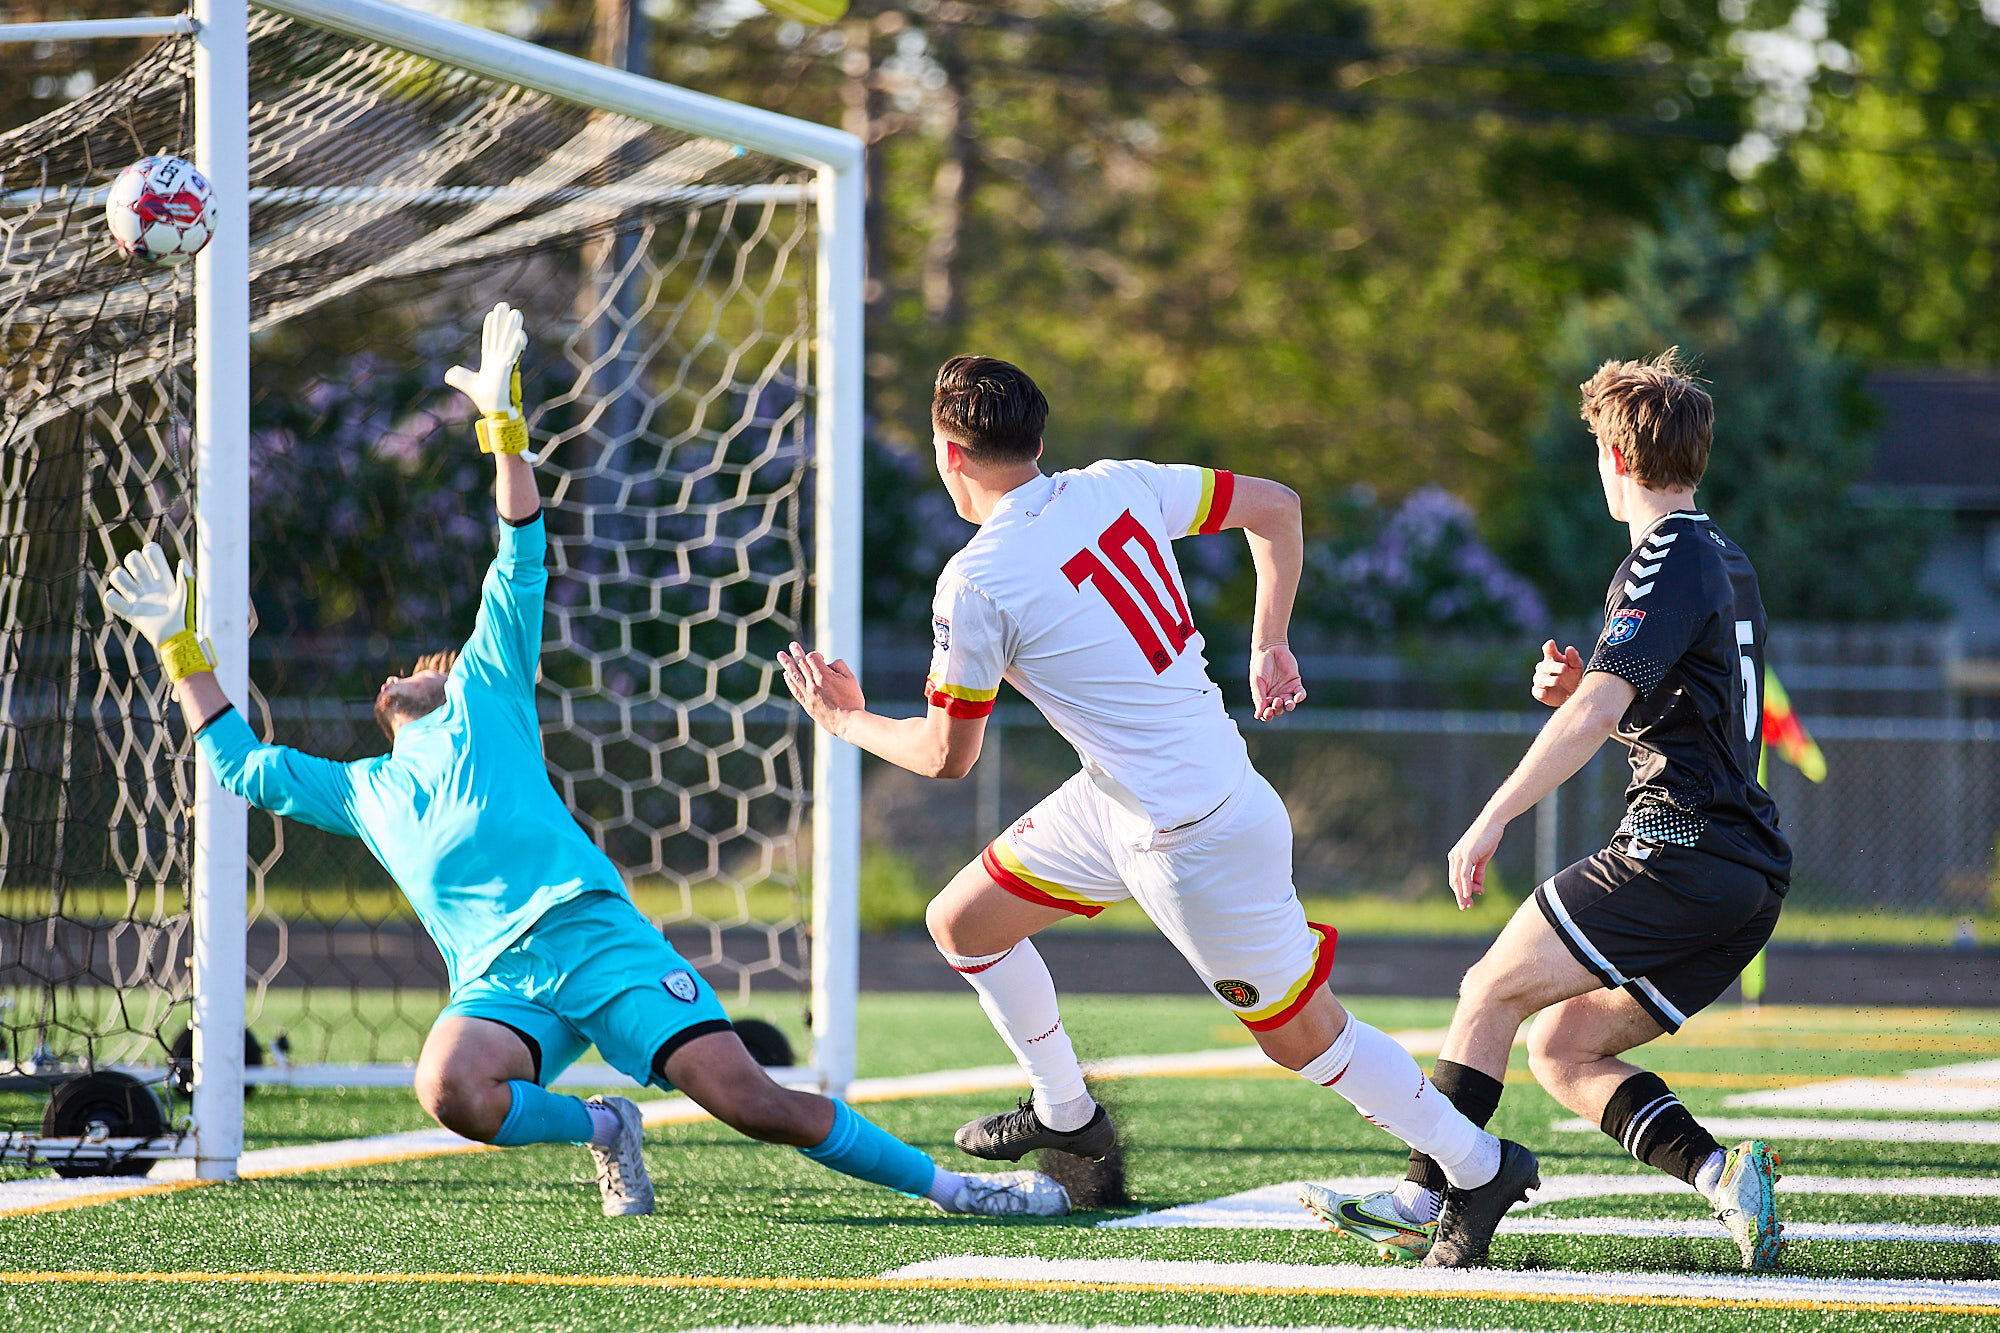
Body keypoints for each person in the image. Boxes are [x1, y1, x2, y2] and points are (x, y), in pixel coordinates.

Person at [103, 304, 1068, 1222]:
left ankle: (956, 1188)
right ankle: (606, 1123)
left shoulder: (486, 688)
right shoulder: (361, 790)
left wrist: (504, 426)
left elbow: (521, 551)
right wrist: (179, 651)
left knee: (750, 1100)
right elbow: (239, 763)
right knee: (451, 1088)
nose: (406, 670)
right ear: (380, 709)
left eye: (420, 665)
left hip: (595, 941)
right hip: (499, 980)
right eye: (396, 673)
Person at [779, 354, 1537, 1266]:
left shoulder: (976, 580)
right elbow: (1279, 507)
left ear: (948, 455)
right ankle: (1070, 1118)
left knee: (1304, 1037)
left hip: (1195, 839)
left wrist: (847, 718)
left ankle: (1480, 1163)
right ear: (1039, 442)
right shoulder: (1117, 483)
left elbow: (948, 756)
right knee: (963, 921)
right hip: (1126, 798)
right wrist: (1270, 643)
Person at [1300, 351, 1790, 1271]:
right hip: (1743, 870)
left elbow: (1603, 712)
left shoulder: (1665, 556)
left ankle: (1421, 1197)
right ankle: (1724, 1173)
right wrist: (1600, 694)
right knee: (1562, 1049)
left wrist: (1493, 814)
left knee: (1488, 991)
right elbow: (1684, 720)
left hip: (1676, 845)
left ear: (1613, 454)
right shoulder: (1725, 553)